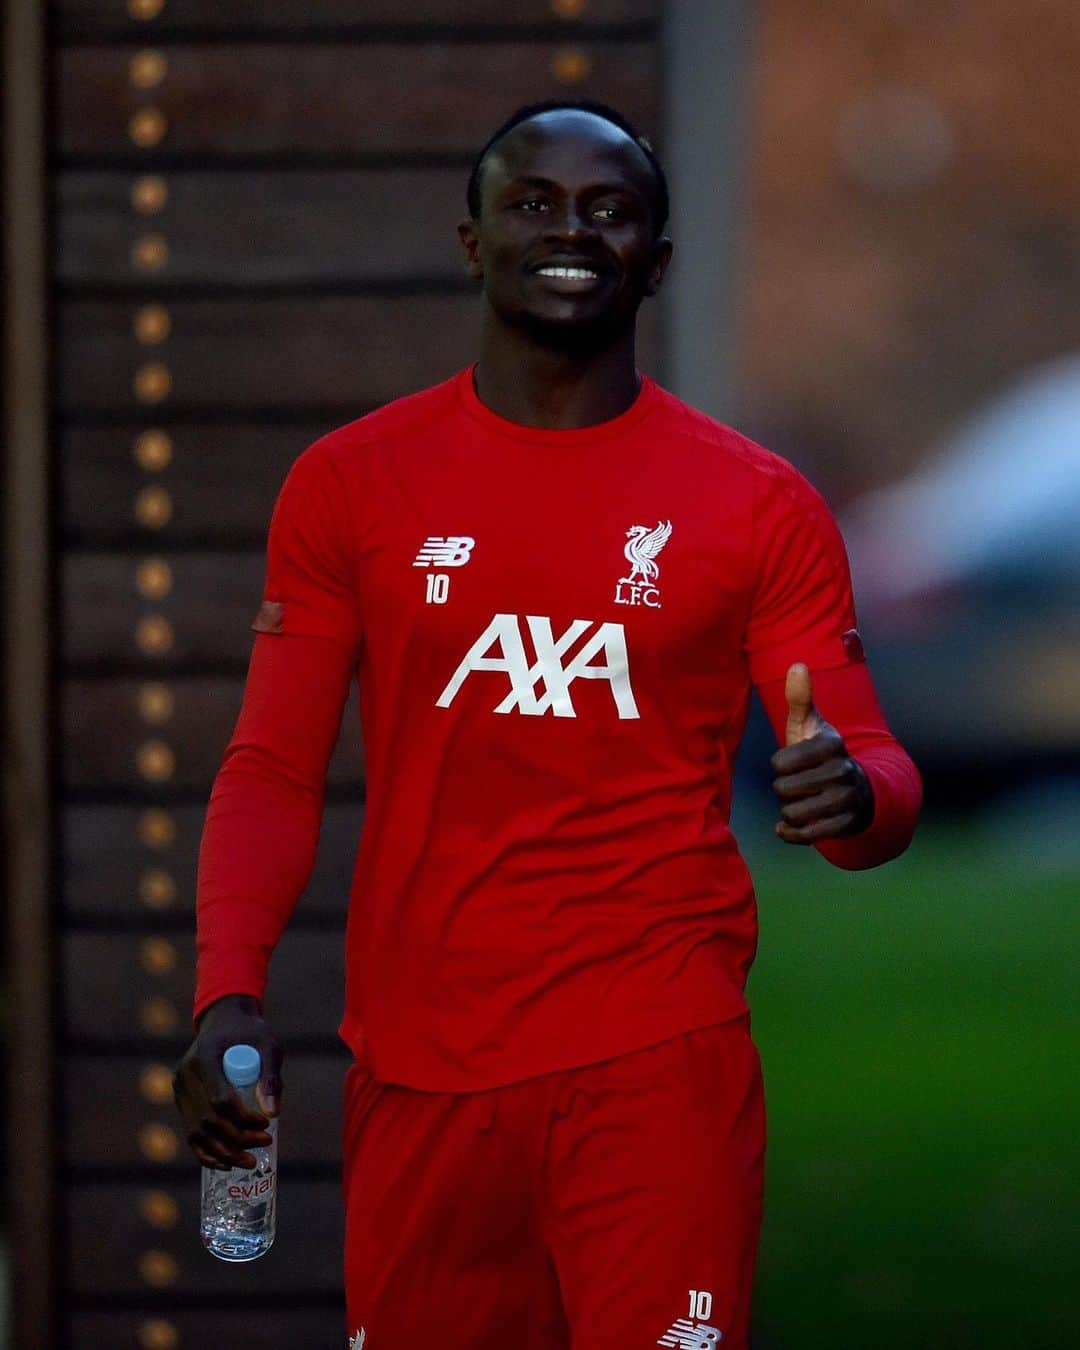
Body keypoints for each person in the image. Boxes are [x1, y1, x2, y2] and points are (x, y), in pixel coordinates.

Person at [173, 100, 921, 1349]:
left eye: (609, 209)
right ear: (473, 241)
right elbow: (272, 766)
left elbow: (872, 776)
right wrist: (226, 992)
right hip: (418, 1063)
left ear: (657, 261)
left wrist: (852, 795)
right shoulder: (353, 483)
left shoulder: (755, 505)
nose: (570, 231)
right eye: (533, 204)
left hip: (655, 1054)